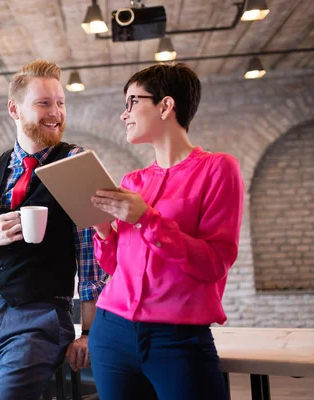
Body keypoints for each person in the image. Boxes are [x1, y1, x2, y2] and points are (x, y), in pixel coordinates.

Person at [0, 59, 107, 400]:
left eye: (61, 103)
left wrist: (89, 333)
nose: (56, 112)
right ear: (15, 109)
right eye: (44, 103)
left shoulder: (76, 164)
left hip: (40, 318)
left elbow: (92, 264)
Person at [88, 63, 244, 400]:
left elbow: (214, 263)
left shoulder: (218, 169)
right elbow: (117, 267)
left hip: (178, 338)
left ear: (165, 105)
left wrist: (146, 219)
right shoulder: (134, 181)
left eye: (132, 101)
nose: (123, 114)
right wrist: (102, 231)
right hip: (111, 332)